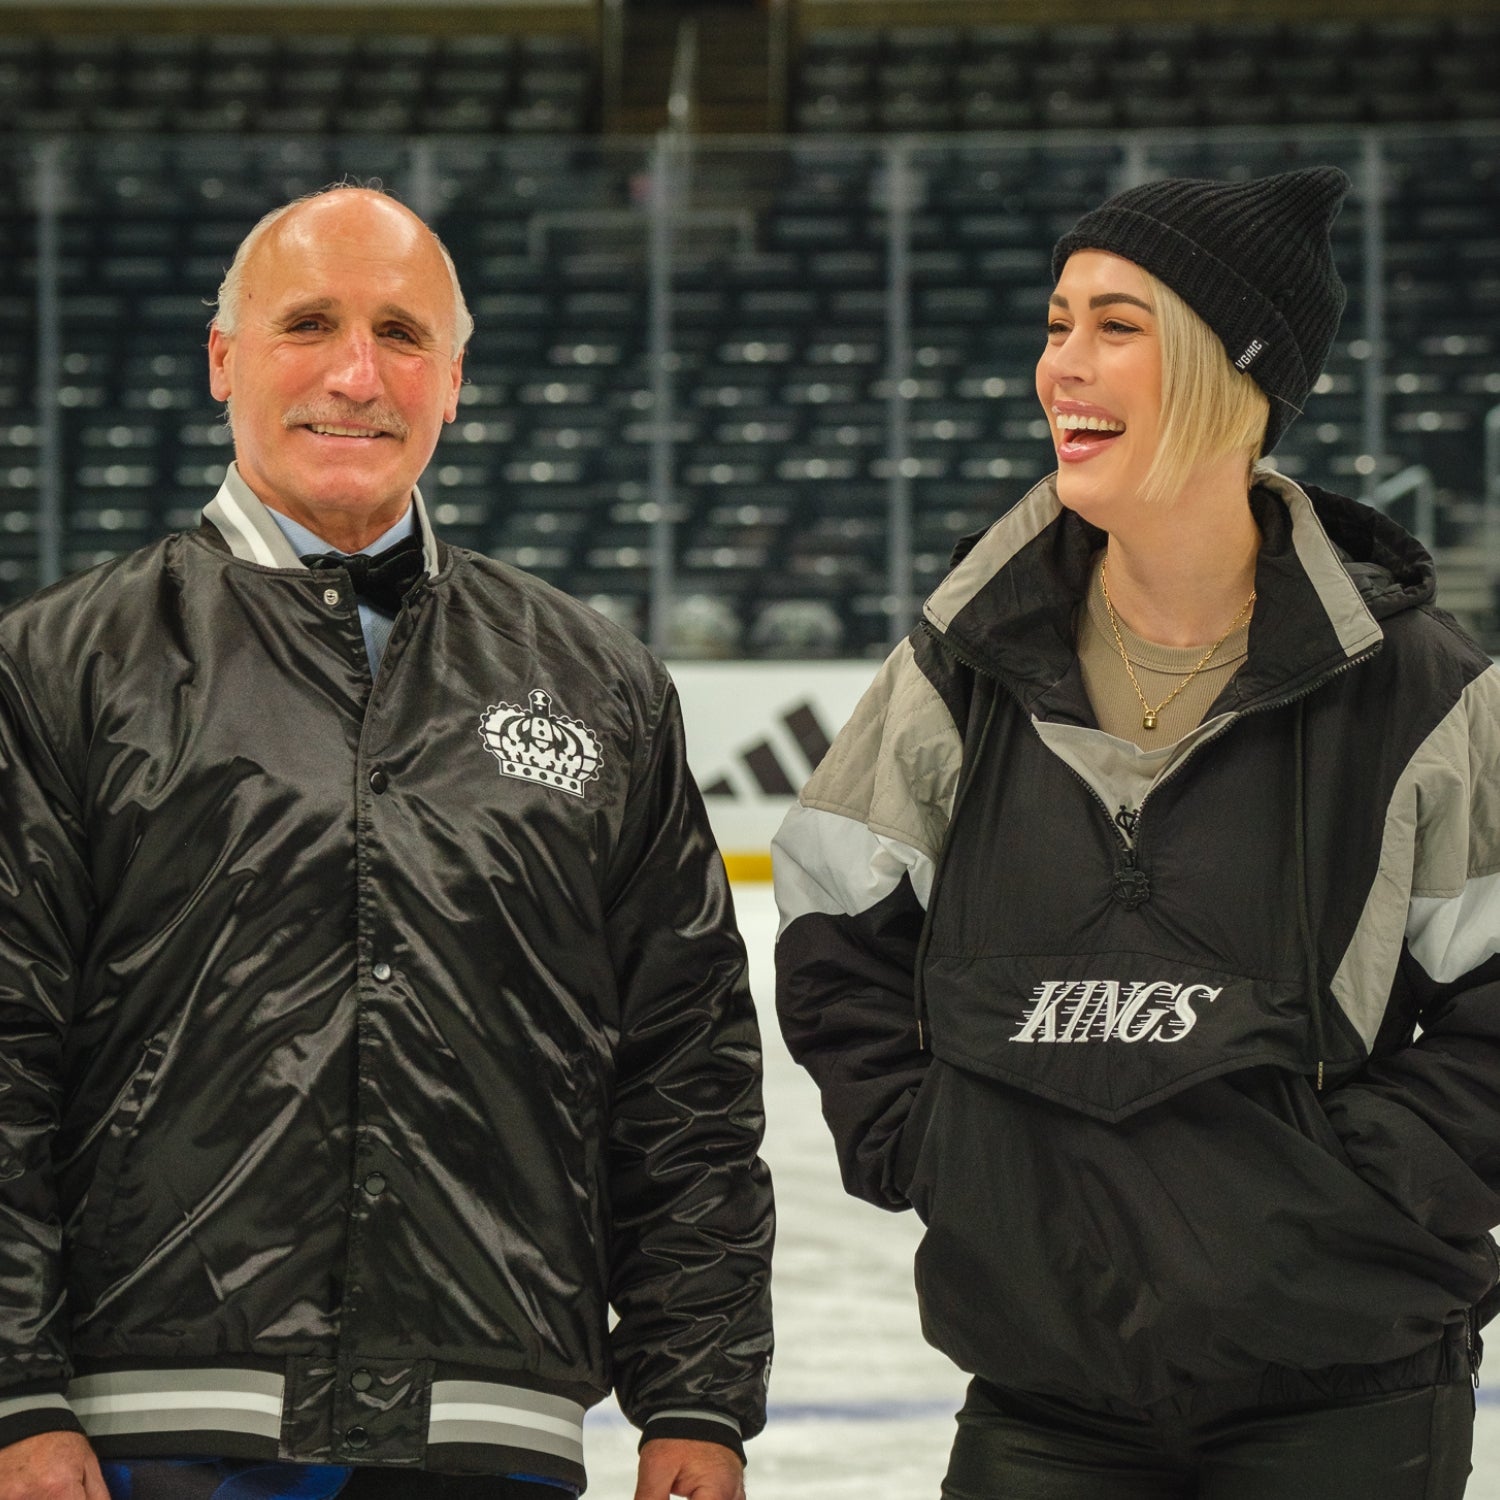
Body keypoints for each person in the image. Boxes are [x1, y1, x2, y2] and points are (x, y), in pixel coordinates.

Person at [0, 184, 774, 1500]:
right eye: (309, 325)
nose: (357, 376)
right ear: (223, 362)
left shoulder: (598, 683)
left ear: (456, 381)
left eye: (403, 336)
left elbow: (681, 1071)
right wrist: (14, 1392)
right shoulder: (62, 668)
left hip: (489, 1425)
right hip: (152, 1427)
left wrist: (696, 1396)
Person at [773, 166, 1500, 1497]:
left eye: (1118, 325)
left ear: (1242, 373)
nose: (1063, 366)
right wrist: (937, 1146)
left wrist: (1357, 1188)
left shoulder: (1423, 687)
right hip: (1043, 1400)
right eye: (1057, 323)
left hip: (1344, 1397)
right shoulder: (962, 663)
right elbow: (832, 915)